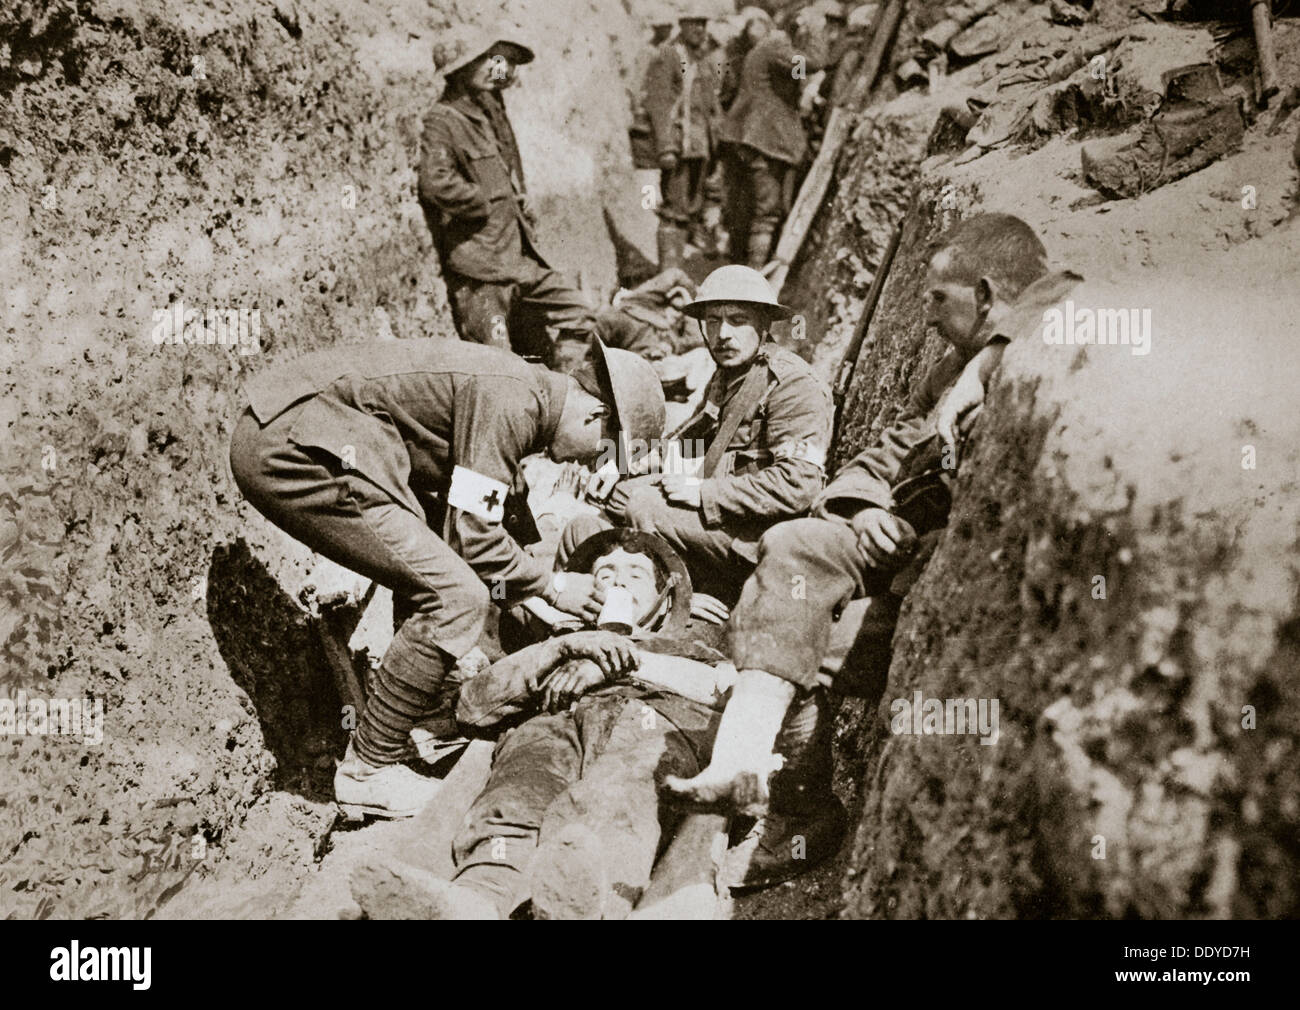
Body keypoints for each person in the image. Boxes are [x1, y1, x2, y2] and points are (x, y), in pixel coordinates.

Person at [664, 215, 1084, 861]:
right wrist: (862, 510)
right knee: (790, 571)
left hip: (946, 587)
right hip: (884, 544)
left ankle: (800, 815)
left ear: (987, 293)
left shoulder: (1032, 339)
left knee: (801, 629)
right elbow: (881, 455)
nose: (925, 319)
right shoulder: (946, 370)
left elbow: (1064, 290)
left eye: (938, 300)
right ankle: (758, 782)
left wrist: (994, 354)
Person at [228, 337, 665, 820]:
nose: (584, 465)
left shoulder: (526, 393)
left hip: (310, 433)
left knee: (437, 562)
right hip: (295, 445)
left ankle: (409, 708)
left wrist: (545, 593)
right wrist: (555, 588)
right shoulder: (512, 400)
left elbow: (506, 523)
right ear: (594, 414)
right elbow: (475, 539)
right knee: (455, 594)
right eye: (598, 454)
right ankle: (367, 772)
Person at [350, 529, 744, 920]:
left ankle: (586, 906)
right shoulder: (558, 644)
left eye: (636, 574)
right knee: (514, 798)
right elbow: (470, 708)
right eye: (604, 574)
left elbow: (731, 694)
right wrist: (559, 649)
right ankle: (476, 901)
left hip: (650, 725)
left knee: (619, 796)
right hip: (552, 725)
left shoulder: (691, 648)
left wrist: (627, 662)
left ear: (663, 602)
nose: (618, 580)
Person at [559, 265, 832, 602]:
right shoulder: (729, 376)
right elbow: (692, 441)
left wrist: (704, 493)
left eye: (737, 319)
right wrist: (619, 462)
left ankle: (674, 604)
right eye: (713, 321)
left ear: (763, 322)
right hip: (725, 516)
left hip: (756, 534)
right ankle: (625, 579)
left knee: (645, 505)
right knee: (618, 492)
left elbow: (799, 484)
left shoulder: (792, 385)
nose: (723, 334)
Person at [418, 25, 595, 359]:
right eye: (486, 59)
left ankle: (563, 396)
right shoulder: (443, 120)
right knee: (497, 362)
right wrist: (483, 202)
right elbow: (435, 182)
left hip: (518, 260)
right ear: (458, 68)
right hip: (482, 271)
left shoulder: (488, 113)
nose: (495, 67)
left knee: (581, 315)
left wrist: (515, 198)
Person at [720, 9, 828, 268]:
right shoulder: (777, 46)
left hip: (752, 137)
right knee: (767, 211)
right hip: (763, 139)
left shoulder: (771, 50)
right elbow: (812, 62)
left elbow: (799, 75)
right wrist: (814, 30)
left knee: (750, 208)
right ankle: (754, 276)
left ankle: (742, 268)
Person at [642, 13, 723, 268]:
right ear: (683, 25)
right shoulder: (668, 55)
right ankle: (667, 276)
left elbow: (710, 106)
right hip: (679, 147)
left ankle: (674, 275)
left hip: (699, 148)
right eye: (695, 24)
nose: (700, 29)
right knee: (673, 213)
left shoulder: (702, 59)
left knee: (690, 210)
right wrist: (665, 147)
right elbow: (658, 101)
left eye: (704, 24)